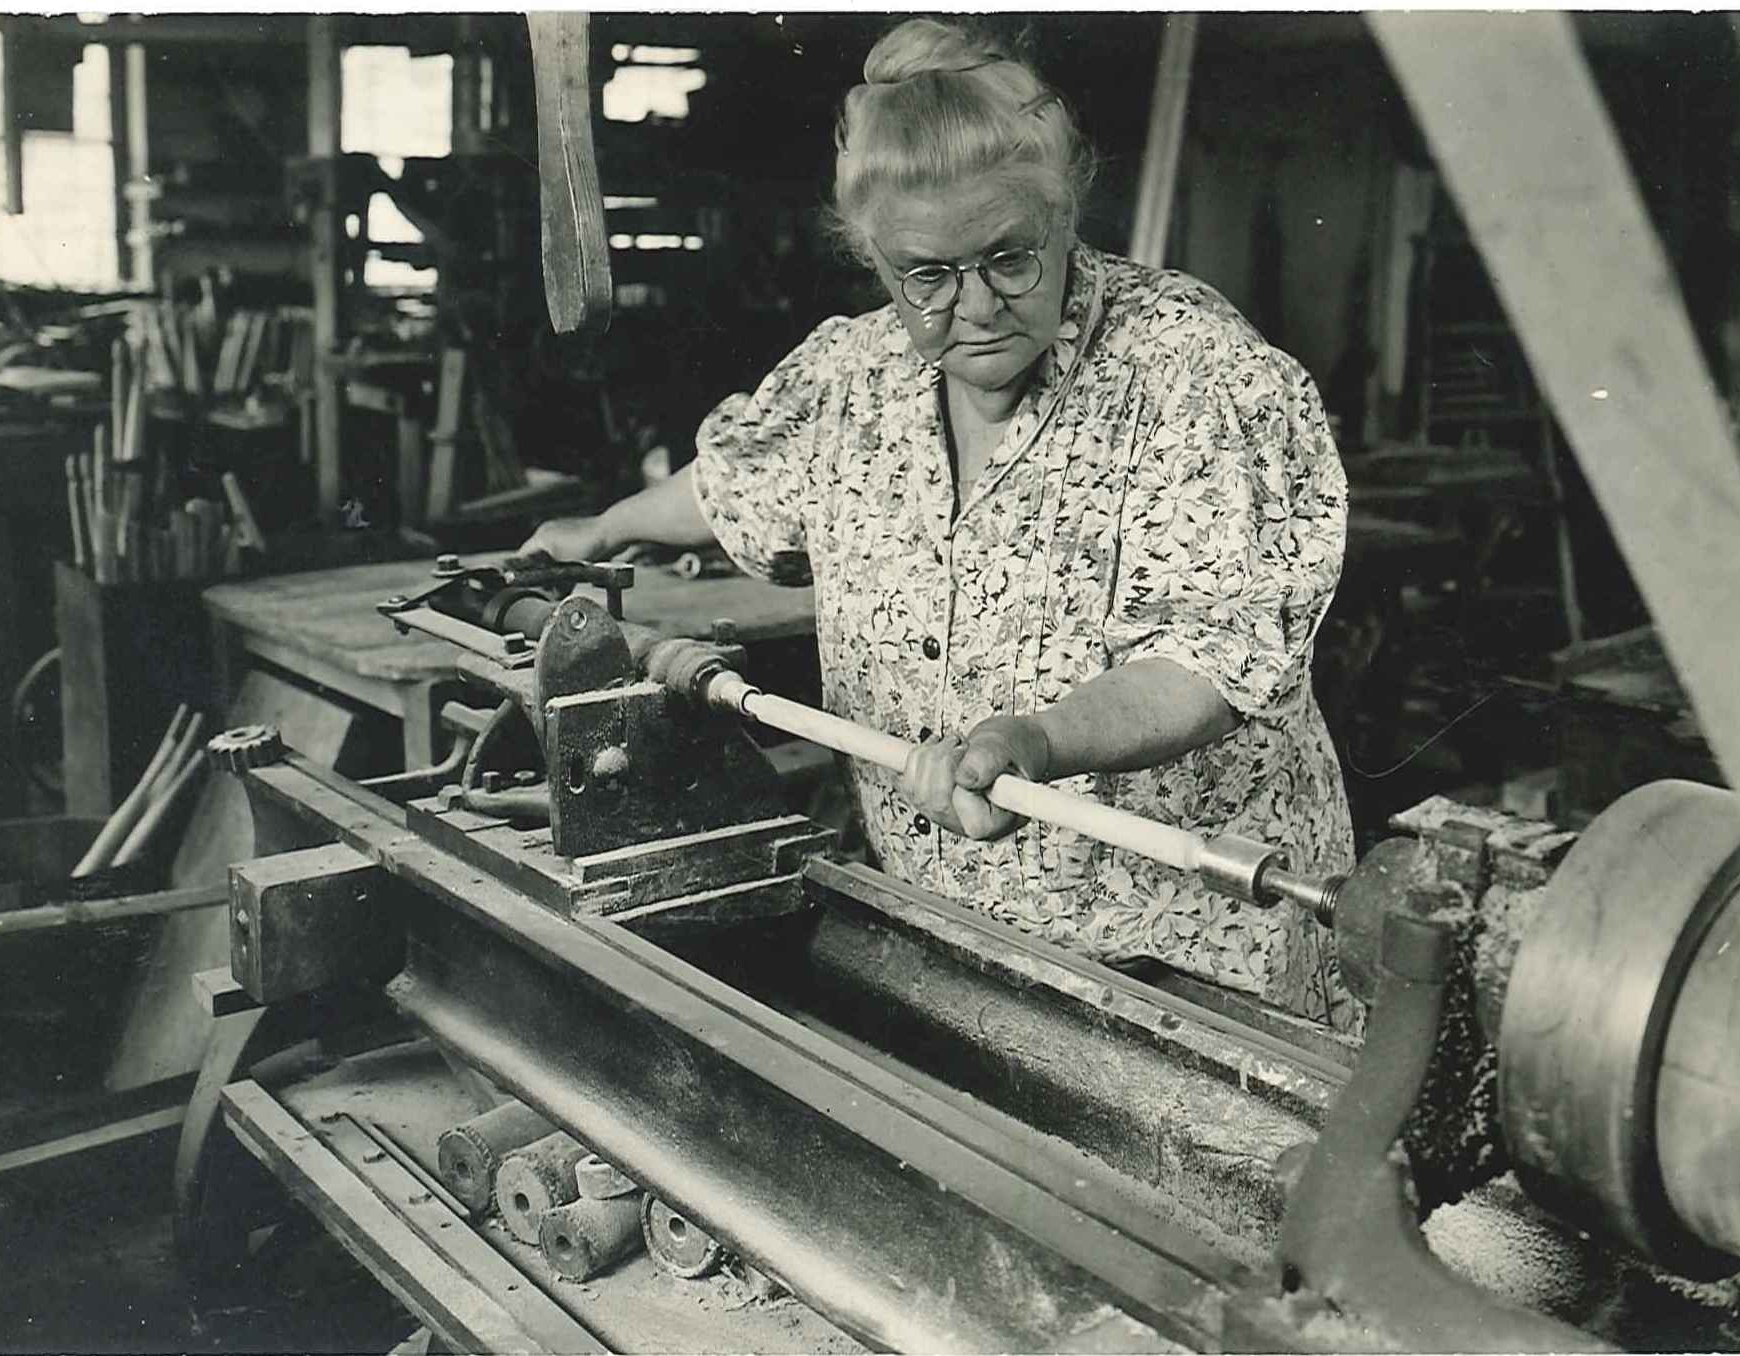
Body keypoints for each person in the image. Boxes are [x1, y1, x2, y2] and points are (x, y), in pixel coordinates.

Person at [518, 18, 1358, 1032]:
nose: (977, 304)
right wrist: (604, 528)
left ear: (1066, 208)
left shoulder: (1198, 377)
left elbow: (1209, 661)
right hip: (941, 927)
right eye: (926, 273)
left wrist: (1035, 740)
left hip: (1183, 947)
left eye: (1011, 256)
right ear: (871, 256)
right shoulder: (851, 375)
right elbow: (741, 479)